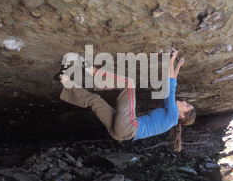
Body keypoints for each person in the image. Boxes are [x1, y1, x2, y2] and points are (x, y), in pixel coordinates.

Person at [55, 49, 196, 152]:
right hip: (120, 134)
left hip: (129, 126)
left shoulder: (172, 117)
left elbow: (171, 90)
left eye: (186, 105)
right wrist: (177, 66)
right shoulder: (168, 112)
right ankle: (65, 80)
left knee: (128, 83)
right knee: (95, 101)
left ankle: (91, 70)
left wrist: (171, 61)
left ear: (182, 115)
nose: (184, 101)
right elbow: (170, 85)